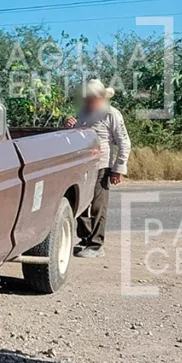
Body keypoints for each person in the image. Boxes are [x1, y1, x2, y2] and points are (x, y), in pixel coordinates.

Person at [64, 78, 131, 258]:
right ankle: (85, 240)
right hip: (82, 166)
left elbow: (124, 142)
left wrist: (118, 169)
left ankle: (96, 245)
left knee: (98, 207)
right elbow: (79, 134)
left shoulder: (111, 114)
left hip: (101, 166)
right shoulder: (83, 113)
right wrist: (71, 125)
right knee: (81, 203)